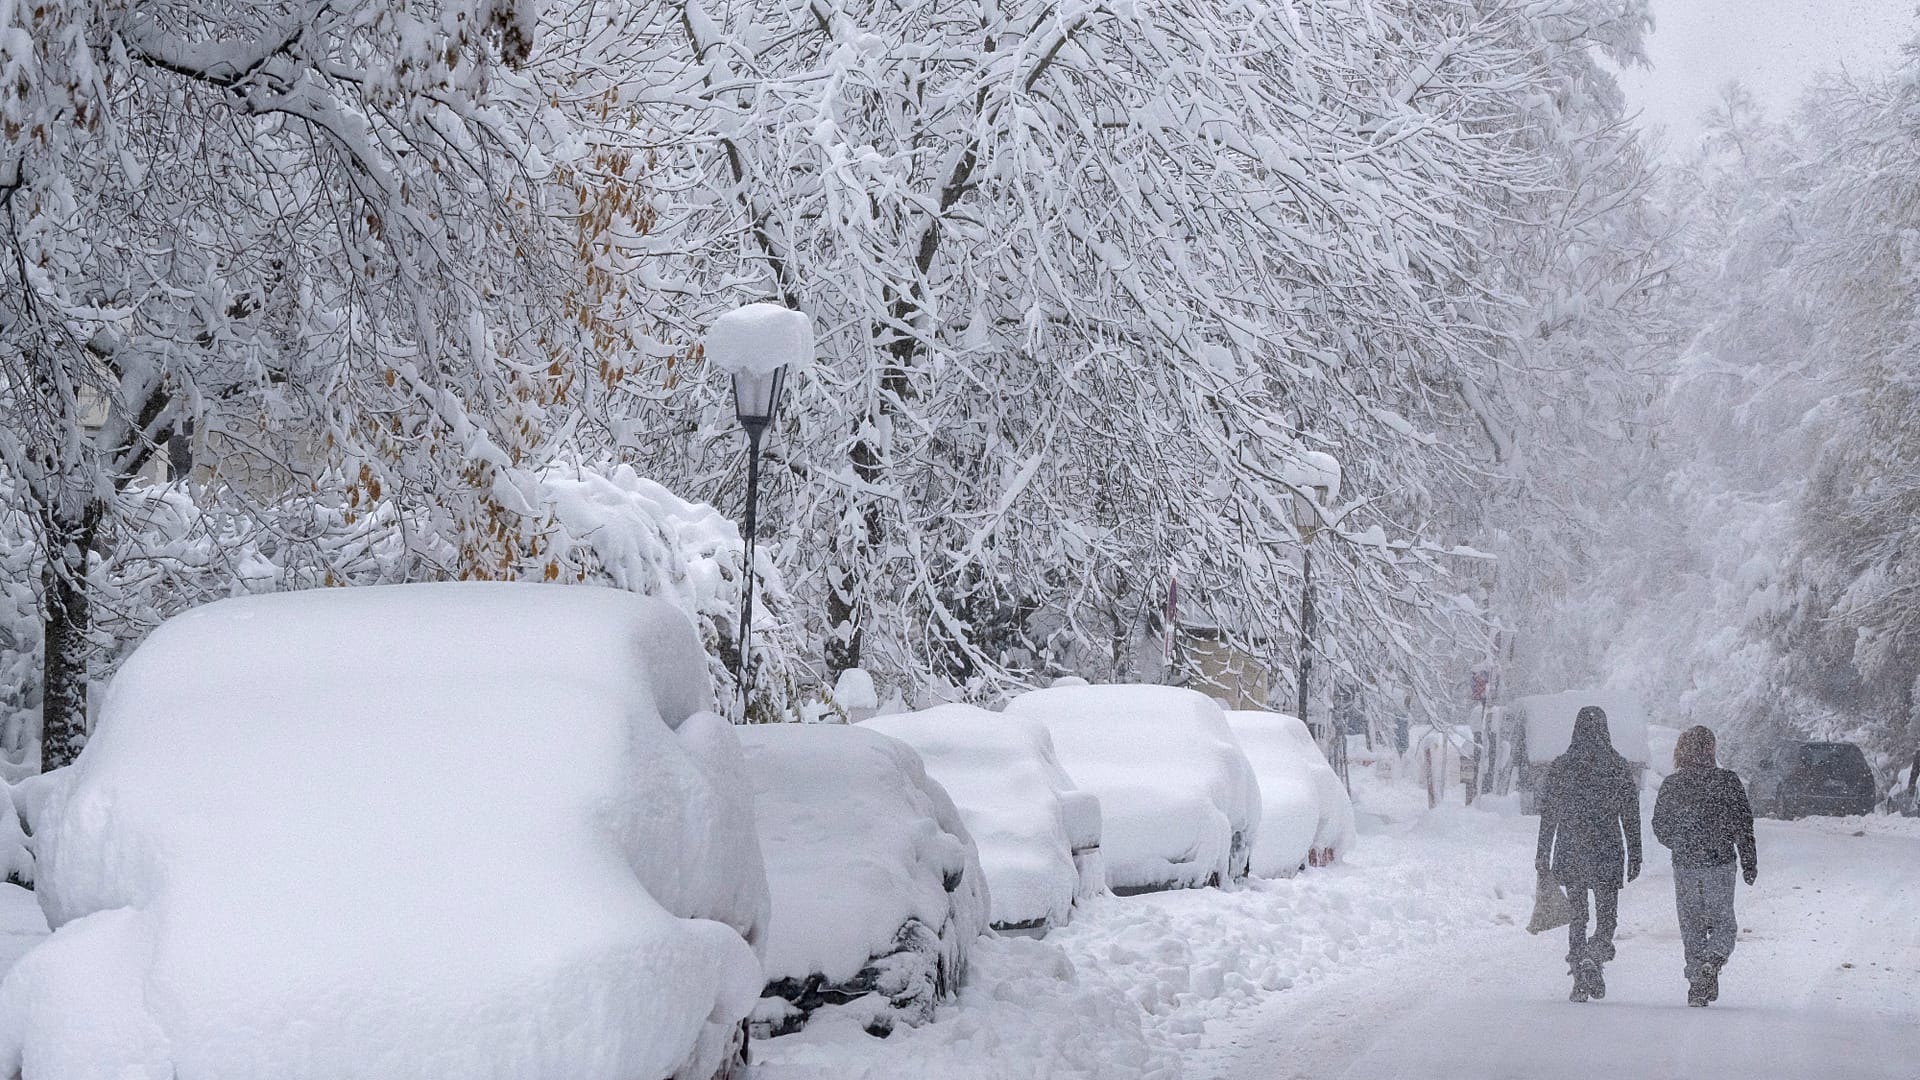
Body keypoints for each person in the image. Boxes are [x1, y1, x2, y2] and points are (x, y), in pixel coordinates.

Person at [1535, 706, 1642, 1003]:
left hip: (1572, 846)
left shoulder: (1562, 765)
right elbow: (1630, 813)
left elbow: (1549, 814)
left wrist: (1542, 852)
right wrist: (1635, 853)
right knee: (1607, 918)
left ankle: (1580, 973)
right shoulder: (1617, 765)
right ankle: (1595, 954)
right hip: (1607, 847)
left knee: (1577, 915)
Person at [1652, 725, 1758, 1007]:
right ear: (1711, 749)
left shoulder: (1673, 785)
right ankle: (1713, 960)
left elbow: (1659, 825)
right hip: (1720, 861)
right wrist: (1749, 860)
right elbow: (1744, 824)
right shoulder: (1728, 782)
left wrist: (1680, 843)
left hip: (1686, 864)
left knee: (1691, 923)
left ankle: (1697, 979)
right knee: (1723, 920)